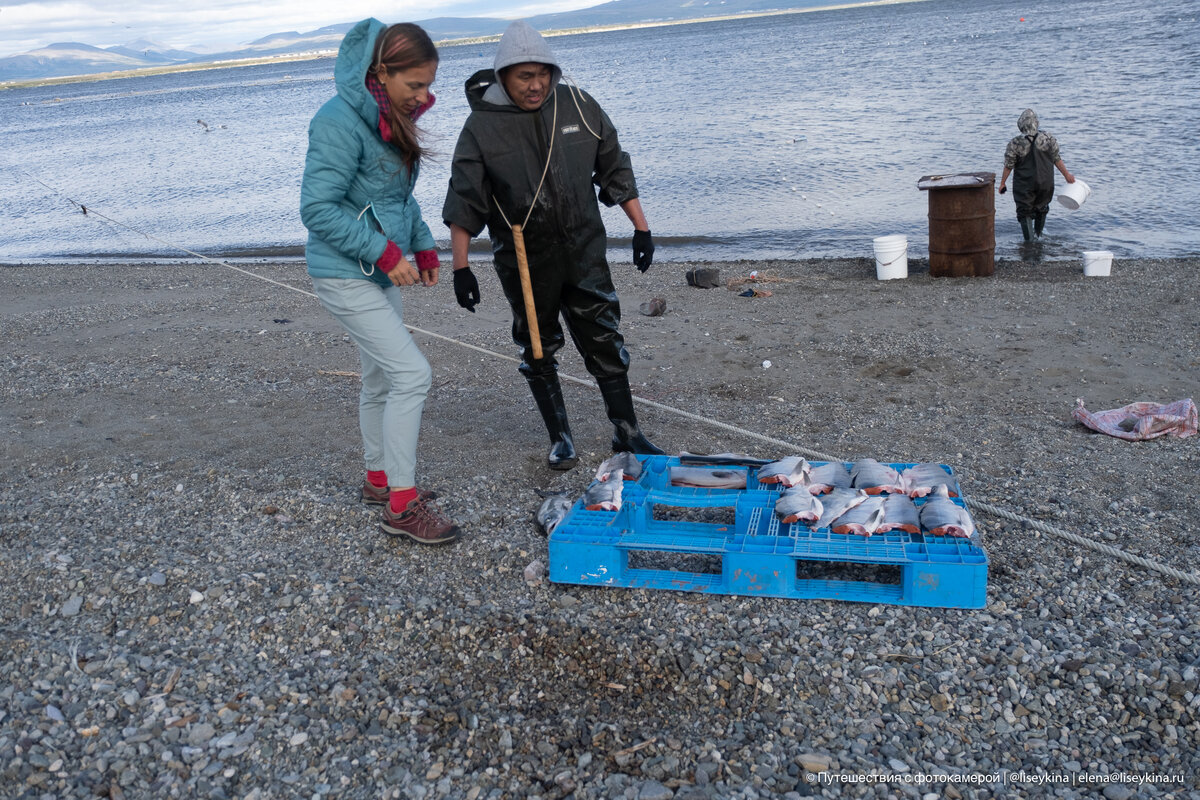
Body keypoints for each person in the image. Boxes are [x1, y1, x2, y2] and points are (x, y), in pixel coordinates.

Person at [442, 20, 664, 471]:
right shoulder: (481, 126)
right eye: (525, 75)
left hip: (584, 248)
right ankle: (561, 438)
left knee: (604, 334)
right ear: (503, 75)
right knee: (538, 345)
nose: (536, 84)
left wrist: (641, 228)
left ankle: (628, 432)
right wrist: (460, 267)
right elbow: (465, 197)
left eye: (543, 73)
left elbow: (614, 166)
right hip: (525, 256)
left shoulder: (578, 105)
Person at [300, 19, 459, 545]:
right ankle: (401, 506)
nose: (423, 96)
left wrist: (422, 243)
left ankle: (378, 480)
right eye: (414, 84)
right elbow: (317, 209)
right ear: (381, 72)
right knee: (413, 375)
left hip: (379, 267)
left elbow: (395, 197)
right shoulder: (338, 122)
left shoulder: (388, 117)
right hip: (345, 272)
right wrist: (385, 252)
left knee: (382, 379)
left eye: (428, 85)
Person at [997, 108, 1075, 241]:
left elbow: (1008, 165)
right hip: (1045, 182)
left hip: (1024, 185)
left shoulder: (1015, 143)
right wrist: (1067, 175)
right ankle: (1038, 236)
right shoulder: (1048, 139)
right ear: (1036, 123)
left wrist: (1002, 183)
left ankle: (1029, 241)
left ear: (1021, 125)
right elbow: (1056, 158)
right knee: (1042, 207)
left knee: (1024, 211)